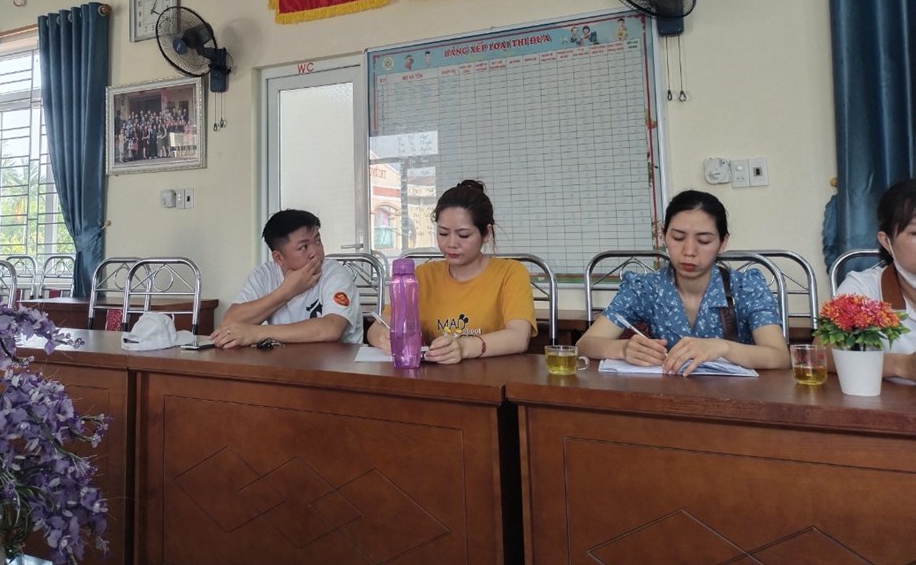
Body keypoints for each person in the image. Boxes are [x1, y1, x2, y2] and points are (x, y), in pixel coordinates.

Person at [577, 190, 788, 373]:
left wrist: (722, 348)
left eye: (704, 241)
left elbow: (780, 357)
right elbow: (585, 344)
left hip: (735, 400)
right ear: (664, 236)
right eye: (678, 238)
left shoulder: (746, 287)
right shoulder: (645, 288)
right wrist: (623, 349)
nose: (689, 251)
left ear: (723, 242)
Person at [366, 179, 536, 364]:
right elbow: (376, 328)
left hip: (491, 376)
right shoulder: (423, 276)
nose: (451, 243)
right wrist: (384, 337)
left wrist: (464, 347)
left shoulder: (510, 273)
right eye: (443, 233)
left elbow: (518, 337)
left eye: (463, 235)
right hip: (432, 375)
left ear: (486, 233)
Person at [210, 209, 362, 348]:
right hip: (285, 363)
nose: (316, 252)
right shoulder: (264, 275)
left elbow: (331, 328)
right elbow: (229, 324)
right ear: (279, 258)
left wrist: (257, 333)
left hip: (335, 365)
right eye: (303, 247)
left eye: (318, 241)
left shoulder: (334, 273)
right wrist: (286, 291)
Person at [832, 178, 916, 380]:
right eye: (915, 232)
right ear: (886, 241)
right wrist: (902, 365)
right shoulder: (863, 289)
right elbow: (825, 352)